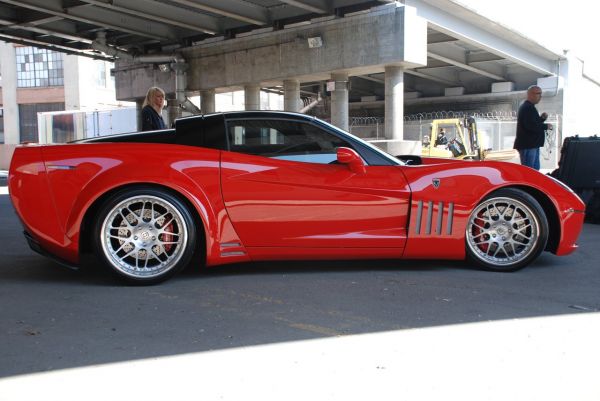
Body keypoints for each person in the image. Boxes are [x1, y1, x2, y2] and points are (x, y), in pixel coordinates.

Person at [513, 85, 553, 170]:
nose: (540, 96)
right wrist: (546, 126)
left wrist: (541, 119)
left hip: (531, 145)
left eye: (541, 94)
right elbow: (530, 126)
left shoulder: (529, 107)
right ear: (530, 94)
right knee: (529, 172)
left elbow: (532, 123)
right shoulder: (527, 108)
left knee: (534, 171)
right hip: (528, 145)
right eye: (538, 93)